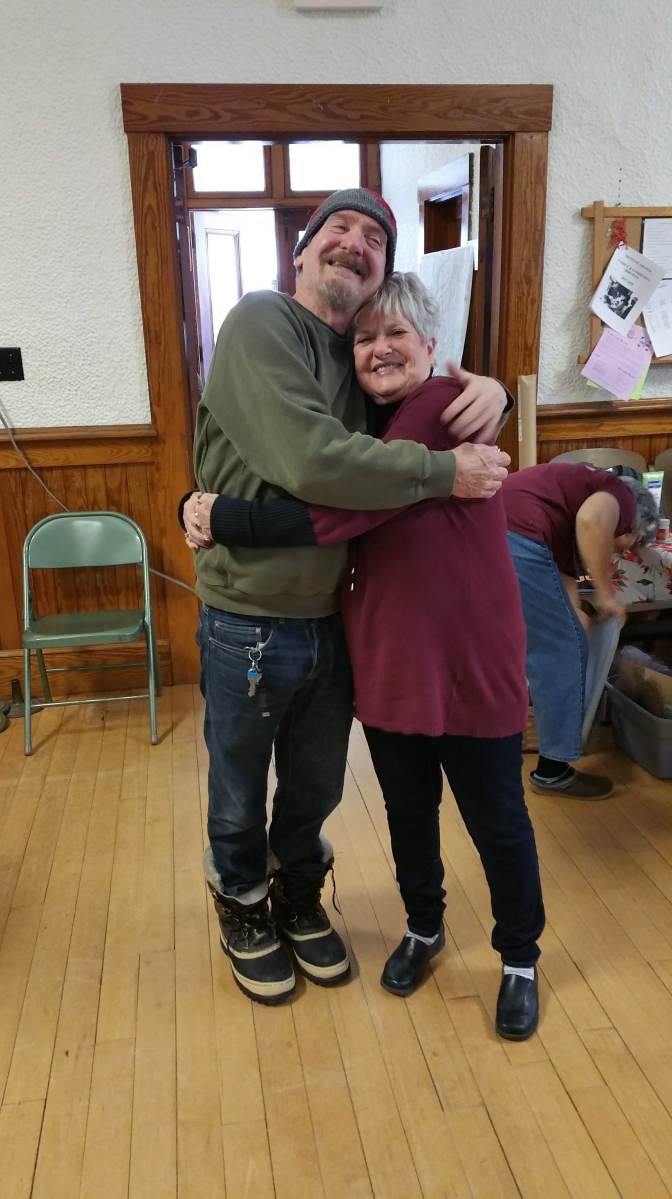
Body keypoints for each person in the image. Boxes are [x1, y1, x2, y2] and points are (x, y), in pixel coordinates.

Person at [185, 272, 544, 1041]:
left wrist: (222, 516)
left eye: (397, 334)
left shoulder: (440, 405)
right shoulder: (370, 422)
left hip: (467, 663)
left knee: (497, 820)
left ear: (432, 346)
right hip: (389, 661)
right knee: (408, 812)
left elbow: (336, 512)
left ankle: (520, 958)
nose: (380, 348)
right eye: (366, 338)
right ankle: (423, 926)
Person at [503, 463, 659, 799]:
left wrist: (575, 616)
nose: (621, 552)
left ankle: (505, 751)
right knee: (560, 653)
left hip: (492, 530)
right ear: (633, 527)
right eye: (628, 545)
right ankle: (552, 773)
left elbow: (564, 578)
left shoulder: (565, 518)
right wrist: (605, 592)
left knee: (559, 642)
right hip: (516, 536)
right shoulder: (621, 495)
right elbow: (592, 521)